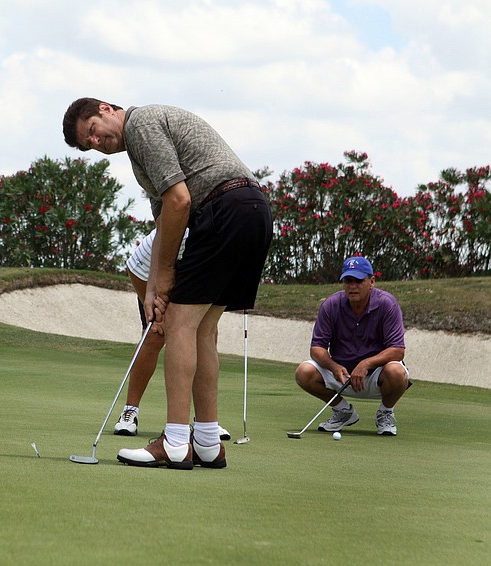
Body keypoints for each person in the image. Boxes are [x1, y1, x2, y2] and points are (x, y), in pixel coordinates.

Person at [63, 99, 272, 470]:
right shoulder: (141, 149)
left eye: (93, 130)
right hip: (251, 210)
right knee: (203, 330)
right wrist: (152, 290)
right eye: (88, 145)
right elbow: (165, 221)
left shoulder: (140, 124)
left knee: (178, 325)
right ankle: (207, 442)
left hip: (222, 208)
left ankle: (175, 442)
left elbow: (179, 201)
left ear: (105, 108)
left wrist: (165, 275)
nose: (96, 142)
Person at [114, 228, 231, 441]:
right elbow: (135, 268)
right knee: (155, 334)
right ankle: (129, 412)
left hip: (196, 274)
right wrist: (155, 310)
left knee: (206, 333)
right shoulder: (184, 232)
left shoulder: (224, 236)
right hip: (148, 271)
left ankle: (205, 421)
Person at [294, 256, 411, 436]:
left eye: (358, 281)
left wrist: (366, 364)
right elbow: (317, 348)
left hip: (375, 377)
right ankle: (343, 411)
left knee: (397, 372)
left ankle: (385, 413)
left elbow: (398, 350)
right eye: (348, 281)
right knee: (304, 371)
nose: (352, 286)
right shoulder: (331, 305)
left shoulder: (387, 304)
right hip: (340, 375)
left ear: (371, 282)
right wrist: (333, 366)